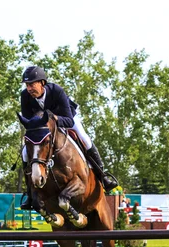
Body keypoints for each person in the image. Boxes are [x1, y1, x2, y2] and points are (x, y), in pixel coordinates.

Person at [19, 66, 117, 210]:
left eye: (32, 84)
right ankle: (30, 191)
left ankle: (103, 176)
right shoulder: (25, 96)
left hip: (65, 118)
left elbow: (69, 121)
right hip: (44, 128)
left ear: (42, 83)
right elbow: (29, 122)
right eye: (27, 85)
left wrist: (53, 120)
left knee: (85, 139)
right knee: (25, 153)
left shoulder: (56, 91)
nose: (29, 88)